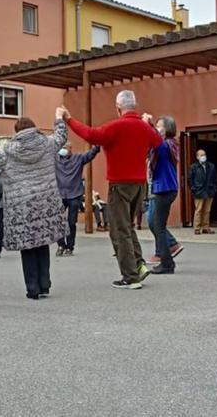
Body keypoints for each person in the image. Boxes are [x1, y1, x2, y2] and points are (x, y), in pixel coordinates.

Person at [63, 90, 162, 289]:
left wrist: (69, 120)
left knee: (119, 230)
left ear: (118, 108)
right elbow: (158, 142)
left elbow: (90, 134)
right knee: (128, 227)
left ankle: (130, 276)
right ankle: (139, 265)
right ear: (134, 105)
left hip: (120, 184)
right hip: (140, 184)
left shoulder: (115, 126)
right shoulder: (144, 128)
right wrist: (149, 124)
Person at [0, 112, 68, 299]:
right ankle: (44, 284)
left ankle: (32, 288)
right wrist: (58, 117)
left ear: (17, 131)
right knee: (42, 243)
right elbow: (61, 136)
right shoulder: (47, 144)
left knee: (28, 246)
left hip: (22, 206)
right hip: (45, 202)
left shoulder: (9, 150)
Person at [145, 114, 182, 274]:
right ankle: (168, 255)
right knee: (155, 223)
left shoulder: (167, 144)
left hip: (164, 189)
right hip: (164, 188)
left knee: (158, 226)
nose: (158, 129)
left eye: (160, 126)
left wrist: (149, 124)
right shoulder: (169, 144)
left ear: (167, 129)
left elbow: (156, 142)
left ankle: (167, 262)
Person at [54, 142, 100, 256]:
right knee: (57, 221)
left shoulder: (78, 158)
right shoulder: (55, 160)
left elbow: (89, 155)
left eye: (65, 148)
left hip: (74, 194)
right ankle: (61, 245)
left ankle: (70, 247)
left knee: (71, 222)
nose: (63, 150)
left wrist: (97, 146)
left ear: (70, 149)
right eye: (61, 148)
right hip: (59, 194)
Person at [189, 149, 217, 234]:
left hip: (209, 190)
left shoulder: (211, 166)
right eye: (201, 155)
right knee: (199, 210)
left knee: (207, 210)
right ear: (197, 157)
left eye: (204, 154)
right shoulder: (194, 167)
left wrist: (214, 188)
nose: (203, 157)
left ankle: (206, 227)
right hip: (199, 191)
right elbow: (190, 179)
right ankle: (197, 228)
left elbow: (215, 178)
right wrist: (194, 188)